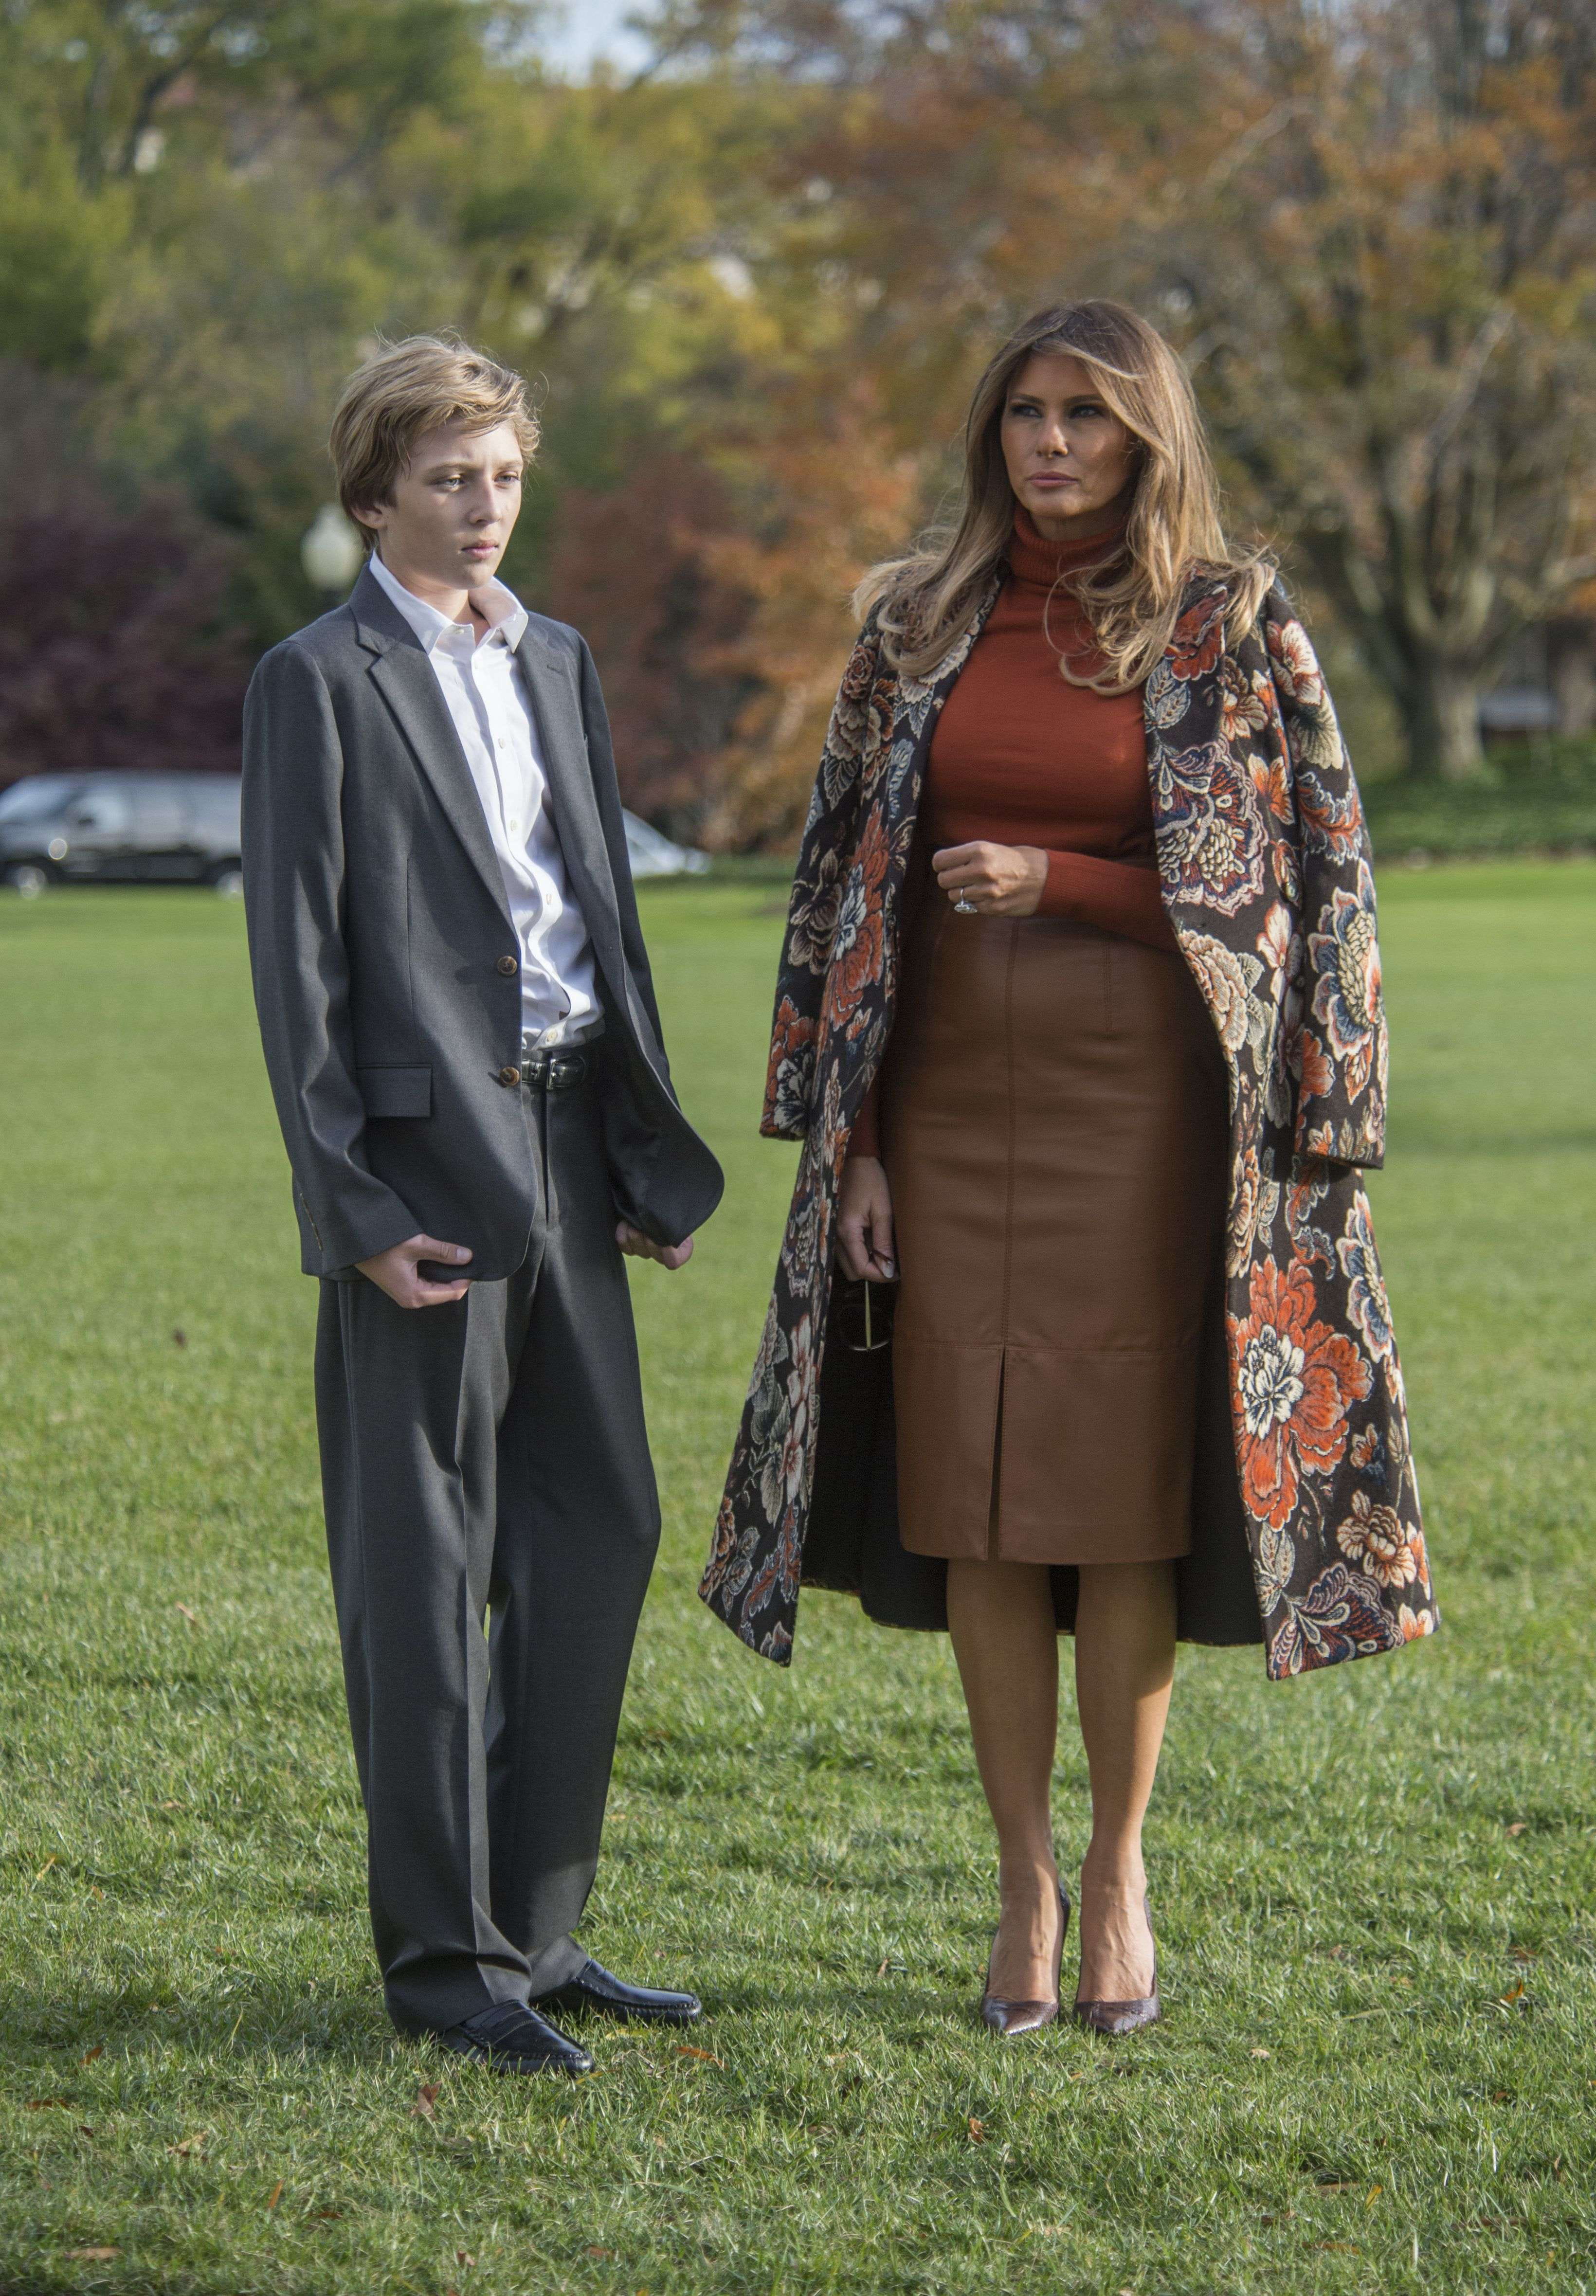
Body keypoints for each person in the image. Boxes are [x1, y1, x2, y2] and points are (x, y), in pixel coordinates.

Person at [703, 300, 1435, 2039]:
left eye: (1087, 417)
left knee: (1113, 1507)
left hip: (1150, 1115)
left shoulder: (1229, 621)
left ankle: (1118, 1872)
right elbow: (843, 880)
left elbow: (1301, 877)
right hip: (946, 1106)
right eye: (1026, 413)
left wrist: (1068, 885)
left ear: (1147, 436)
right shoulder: (915, 620)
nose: (1050, 443)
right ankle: (1020, 1881)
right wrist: (854, 1138)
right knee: (972, 1496)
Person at [242, 335, 723, 2076]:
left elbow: (602, 920)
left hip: (575, 1146)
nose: (486, 505)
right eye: (451, 478)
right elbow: (295, 966)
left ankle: (539, 1932)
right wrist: (352, 1205)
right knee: (425, 1567)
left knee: (603, 1525)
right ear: (376, 495)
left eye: (506, 475)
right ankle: (445, 1967)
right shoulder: (318, 679)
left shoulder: (559, 658)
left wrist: (640, 1156)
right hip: (422, 1181)